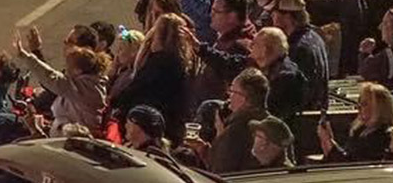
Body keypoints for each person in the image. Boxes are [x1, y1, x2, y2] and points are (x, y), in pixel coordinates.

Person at [110, 12, 194, 145]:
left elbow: (137, 87)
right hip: (172, 121)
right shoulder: (182, 63)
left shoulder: (158, 62)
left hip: (148, 123)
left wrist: (116, 102)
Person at [15, 34, 111, 134]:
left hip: (76, 138)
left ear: (78, 70)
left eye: (68, 66)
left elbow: (51, 78)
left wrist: (26, 56)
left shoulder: (85, 89)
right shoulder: (86, 83)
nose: (66, 69)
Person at [203, 68, 272, 173]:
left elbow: (219, 172)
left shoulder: (236, 131)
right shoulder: (275, 126)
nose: (229, 96)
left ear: (244, 98)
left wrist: (220, 137)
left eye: (233, 91)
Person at [271, 0, 328, 112]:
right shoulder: (315, 37)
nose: (273, 20)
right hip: (316, 110)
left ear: (287, 17)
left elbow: (297, 92)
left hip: (304, 118)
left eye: (274, 15)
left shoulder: (297, 48)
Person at [318, 81, 393, 160]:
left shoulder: (384, 136)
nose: (359, 107)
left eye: (364, 104)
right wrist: (328, 140)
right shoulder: (359, 131)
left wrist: (328, 142)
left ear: (379, 108)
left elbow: (351, 164)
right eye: (359, 103)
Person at [358, 7, 393, 86]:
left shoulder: (390, 55)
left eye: (385, 23)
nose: (380, 27)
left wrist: (365, 53)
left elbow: (365, 71)